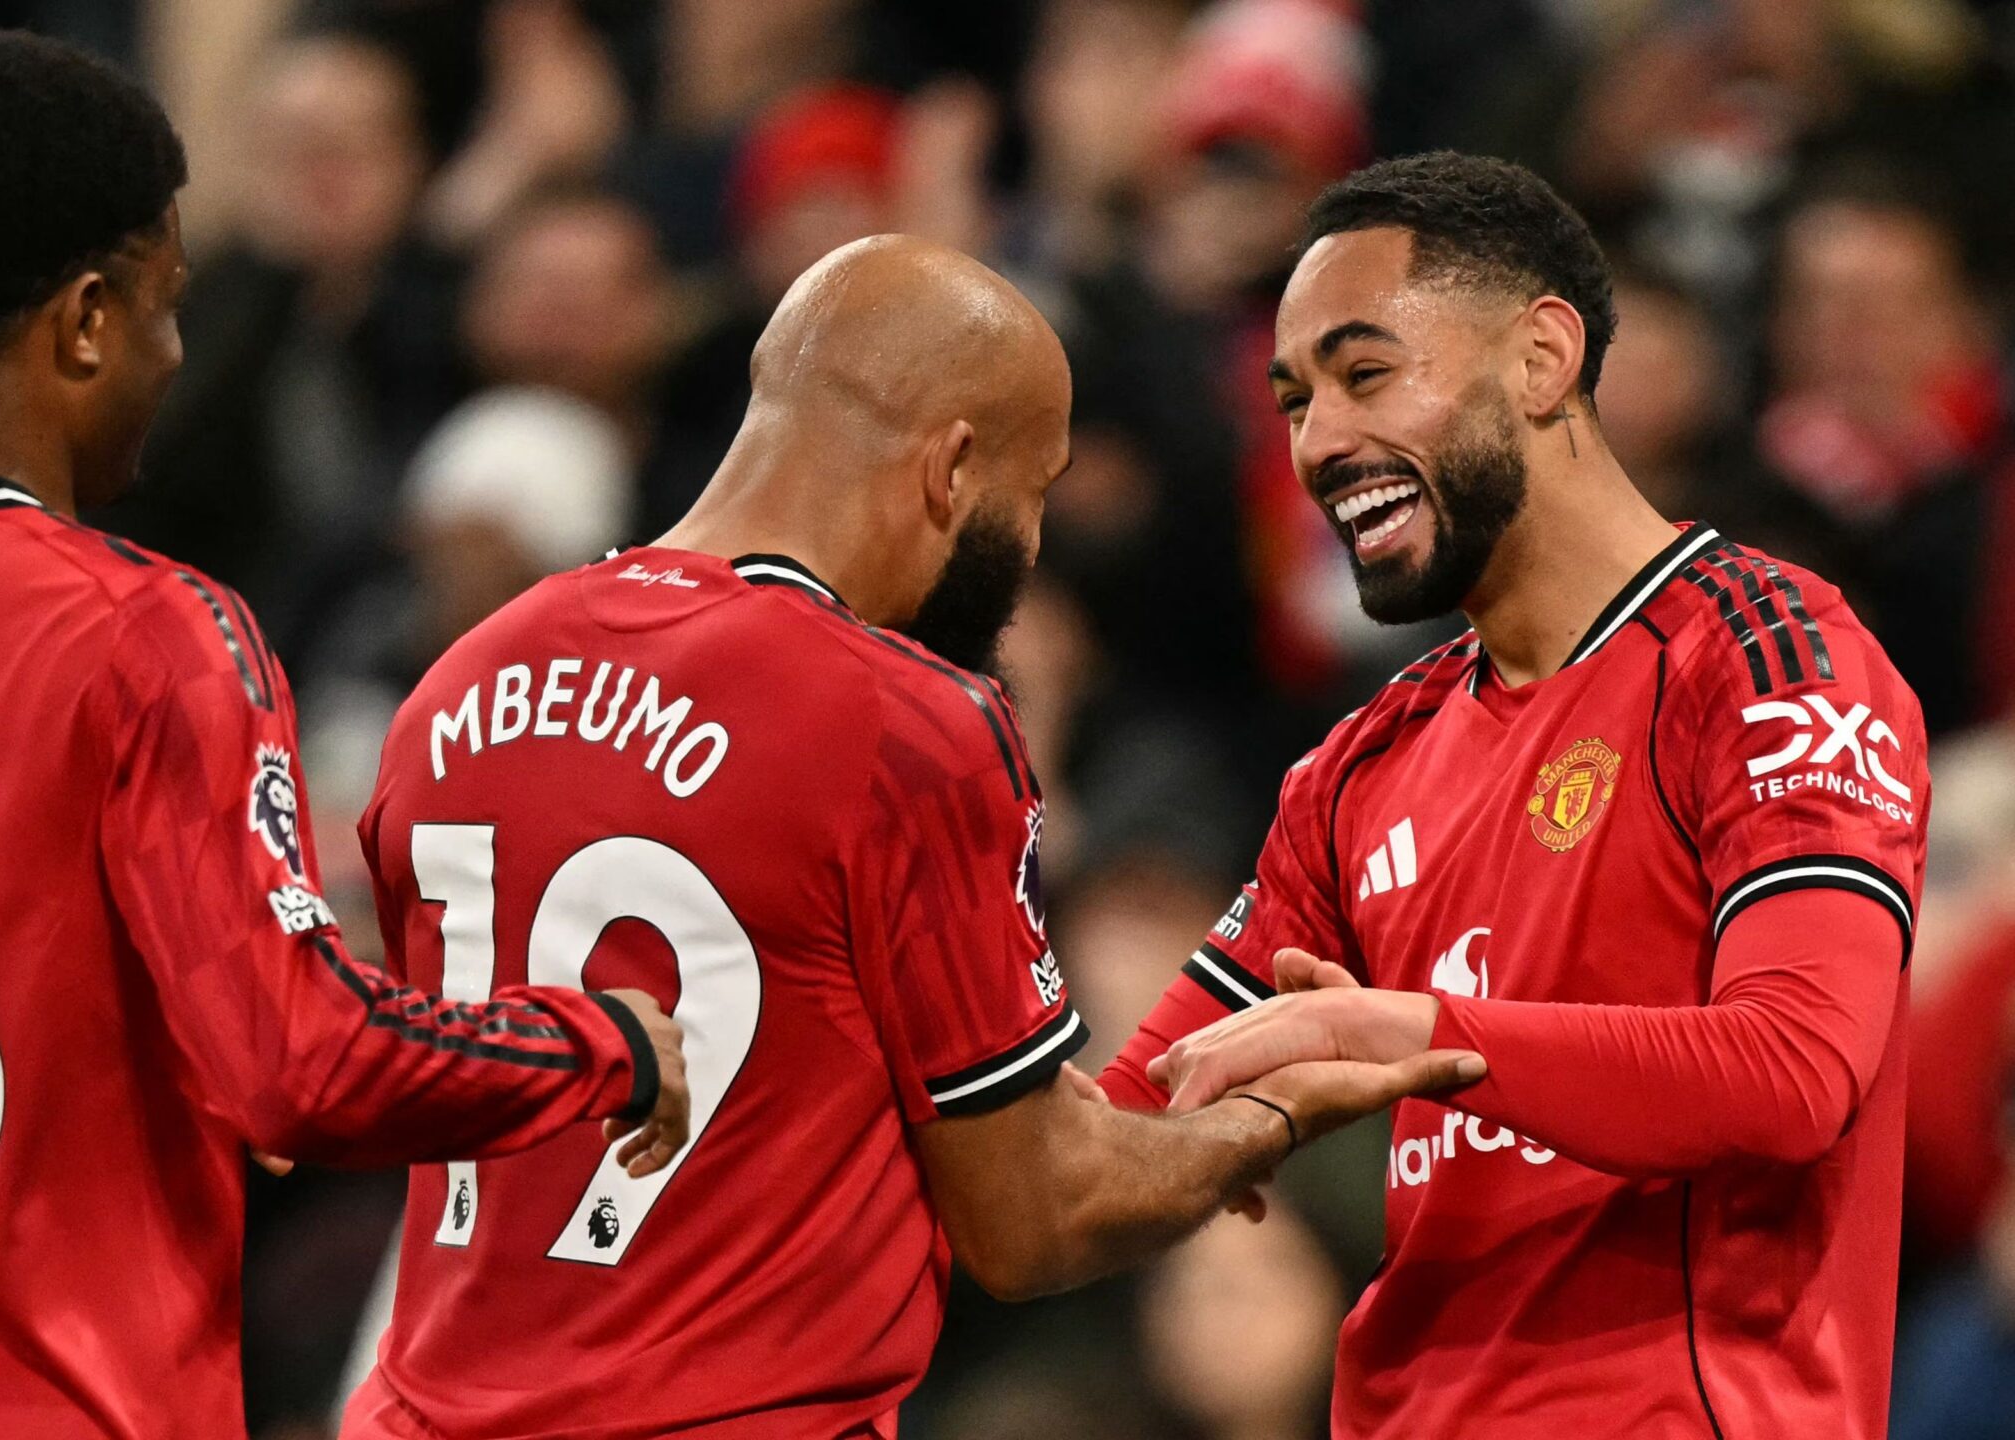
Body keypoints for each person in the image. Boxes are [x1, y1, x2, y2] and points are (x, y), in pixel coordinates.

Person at [0, 34, 687, 1439]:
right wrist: (606, 1044)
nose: (176, 355)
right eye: (168, 307)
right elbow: (302, 1063)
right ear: (90, 318)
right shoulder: (144, 633)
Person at [338, 234, 1482, 1439]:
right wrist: (1282, 1112)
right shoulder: (903, 721)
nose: (1032, 554)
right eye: (1031, 496)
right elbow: (1034, 1220)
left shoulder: (455, 687)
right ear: (950, 470)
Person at [1106, 153, 1929, 1439]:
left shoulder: (1769, 658)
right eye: (1294, 399)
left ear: (1543, 360)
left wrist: (1414, 1034)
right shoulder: (1355, 769)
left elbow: (1793, 1069)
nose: (1318, 442)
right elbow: (1104, 1149)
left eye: (1364, 374)